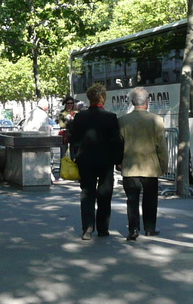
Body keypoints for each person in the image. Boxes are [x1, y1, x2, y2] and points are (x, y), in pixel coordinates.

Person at [66, 82, 122, 240]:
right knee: (105, 193)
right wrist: (118, 160)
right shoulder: (111, 117)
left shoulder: (80, 117)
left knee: (87, 193)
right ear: (103, 98)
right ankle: (103, 228)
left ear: (89, 98)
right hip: (105, 162)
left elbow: (74, 139)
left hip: (86, 161)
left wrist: (76, 156)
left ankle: (88, 227)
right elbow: (117, 141)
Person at [117, 86, 169, 239]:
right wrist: (164, 165)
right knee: (150, 199)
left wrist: (118, 162)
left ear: (133, 102)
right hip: (150, 167)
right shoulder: (156, 120)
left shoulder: (122, 121)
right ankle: (149, 228)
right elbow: (161, 146)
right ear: (147, 102)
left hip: (129, 166)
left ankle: (133, 229)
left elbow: (119, 145)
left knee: (132, 200)